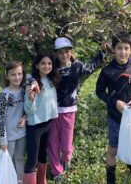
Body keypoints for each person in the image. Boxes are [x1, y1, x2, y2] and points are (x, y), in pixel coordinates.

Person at [30, 37, 107, 181]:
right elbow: (36, 75)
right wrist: (32, 81)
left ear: (71, 52)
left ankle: (66, 158)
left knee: (65, 146)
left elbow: (92, 66)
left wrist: (102, 52)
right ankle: (56, 171)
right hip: (51, 112)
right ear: (56, 54)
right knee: (52, 144)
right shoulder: (53, 69)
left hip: (69, 111)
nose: (64, 55)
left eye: (67, 51)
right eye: (60, 52)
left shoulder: (77, 66)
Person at [96, 33, 131, 183]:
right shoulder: (107, 71)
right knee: (113, 149)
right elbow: (99, 92)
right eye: (119, 48)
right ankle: (111, 180)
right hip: (115, 116)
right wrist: (114, 102)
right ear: (113, 49)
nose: (123, 52)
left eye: (126, 48)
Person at [23, 53, 60, 184]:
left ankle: (42, 180)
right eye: (43, 63)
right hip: (35, 125)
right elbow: (29, 110)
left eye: (49, 63)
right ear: (36, 65)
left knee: (43, 154)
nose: (46, 66)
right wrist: (31, 97)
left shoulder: (51, 80)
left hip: (48, 123)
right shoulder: (32, 81)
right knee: (32, 158)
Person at [0, 61, 26, 184]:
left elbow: (28, 108)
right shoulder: (4, 95)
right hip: (9, 136)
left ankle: (20, 180)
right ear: (7, 76)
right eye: (13, 75)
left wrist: (25, 117)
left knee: (19, 158)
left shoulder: (24, 91)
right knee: (8, 159)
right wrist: (3, 139)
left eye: (20, 74)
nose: (17, 77)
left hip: (22, 133)